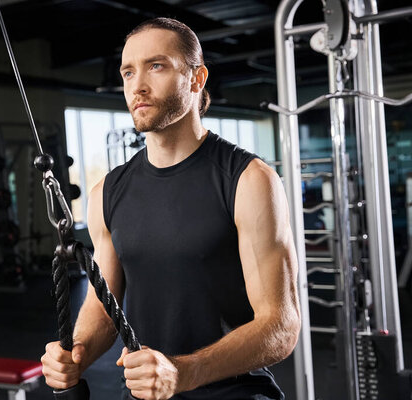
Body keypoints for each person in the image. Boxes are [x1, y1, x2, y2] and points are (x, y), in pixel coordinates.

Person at [41, 17, 301, 400]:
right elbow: (103, 306)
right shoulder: (107, 192)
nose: (138, 86)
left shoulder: (248, 179)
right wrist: (74, 352)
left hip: (236, 393)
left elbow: (281, 326)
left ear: (196, 79)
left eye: (156, 66)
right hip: (150, 394)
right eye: (128, 72)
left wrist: (183, 372)